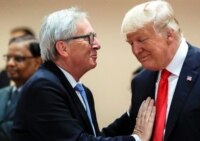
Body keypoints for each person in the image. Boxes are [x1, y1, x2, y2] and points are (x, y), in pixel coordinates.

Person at [12, 7, 155, 141]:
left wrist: (133, 115)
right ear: (63, 48)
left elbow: (92, 137)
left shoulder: (82, 91)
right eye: (89, 38)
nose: (97, 44)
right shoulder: (43, 87)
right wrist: (137, 138)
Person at [121, 1, 200, 141]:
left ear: (169, 35)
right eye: (131, 43)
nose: (135, 50)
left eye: (141, 40)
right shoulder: (141, 81)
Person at [0, 35, 42, 141]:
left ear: (37, 62)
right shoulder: (2, 93)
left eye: (18, 59)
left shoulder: (42, 95)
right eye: (8, 58)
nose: (10, 63)